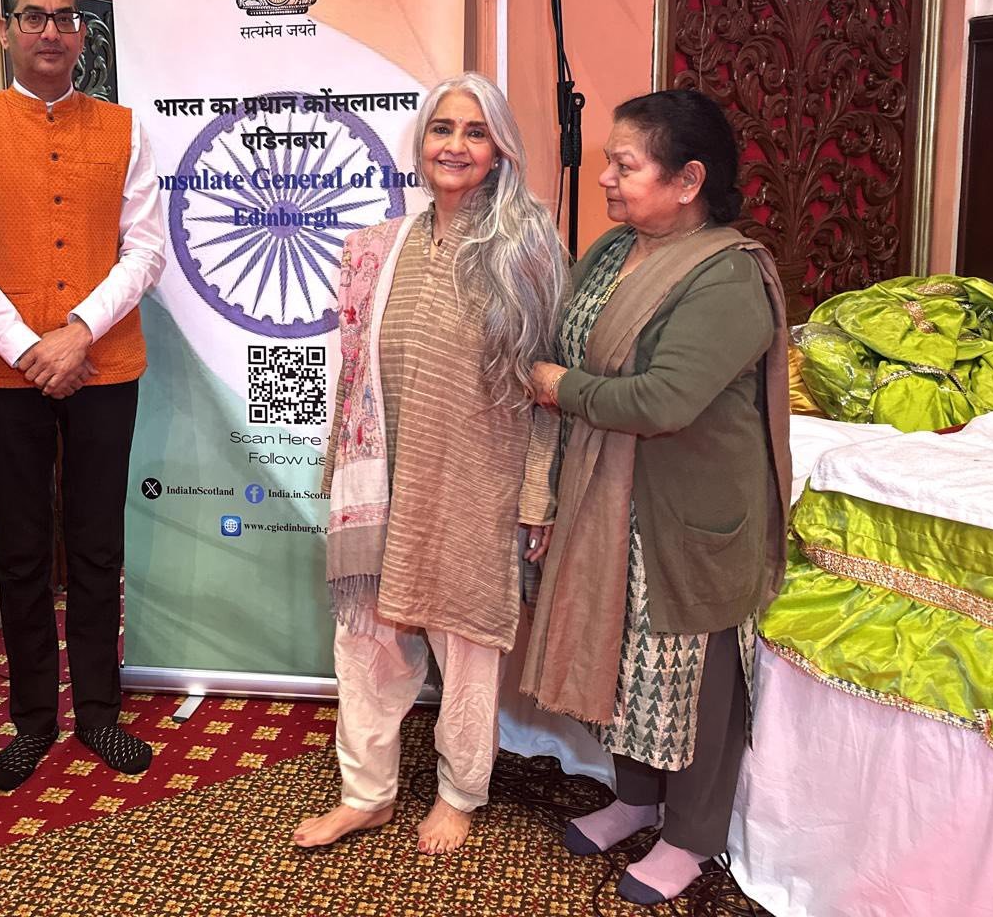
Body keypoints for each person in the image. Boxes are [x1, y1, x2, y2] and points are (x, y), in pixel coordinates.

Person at [521, 89, 791, 906]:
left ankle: (691, 836)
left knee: (694, 685)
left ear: (688, 179)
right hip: (607, 500)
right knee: (622, 668)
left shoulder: (728, 276)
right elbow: (567, 337)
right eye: (608, 159)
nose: (604, 176)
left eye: (624, 164)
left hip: (687, 520)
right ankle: (636, 799)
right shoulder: (611, 253)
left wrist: (560, 388)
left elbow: (662, 401)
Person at [293, 73, 567, 854]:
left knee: (466, 649)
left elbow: (546, 384)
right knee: (366, 643)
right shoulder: (377, 248)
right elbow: (352, 374)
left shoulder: (530, 249)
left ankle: (458, 793)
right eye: (442, 129)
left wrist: (536, 498)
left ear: (500, 149)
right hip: (382, 481)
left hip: (476, 481)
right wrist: (335, 469)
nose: (455, 145)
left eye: (474, 132)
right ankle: (366, 793)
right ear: (422, 143)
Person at [0, 0, 164, 789]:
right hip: (2, 369)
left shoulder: (127, 129)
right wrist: (31, 344)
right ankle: (32, 721)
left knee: (98, 544)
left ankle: (98, 713)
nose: (52, 32)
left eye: (65, 19)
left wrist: (78, 335)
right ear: (5, 31)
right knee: (23, 550)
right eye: (34, 18)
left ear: (83, 34)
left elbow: (147, 248)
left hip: (105, 364)